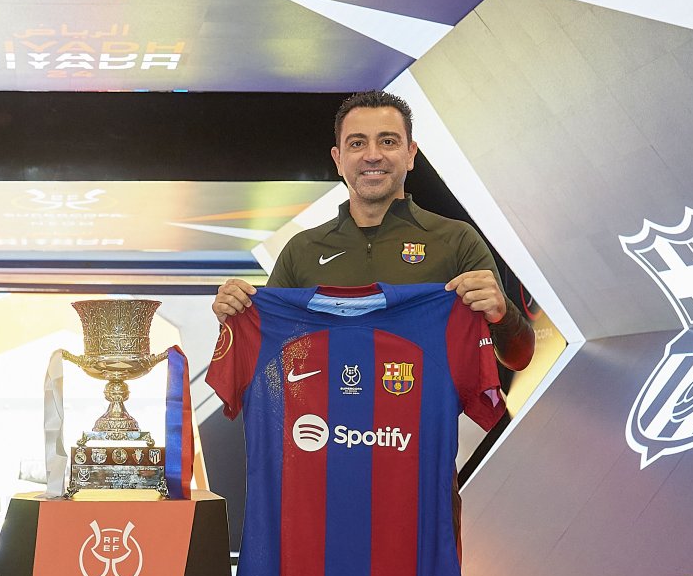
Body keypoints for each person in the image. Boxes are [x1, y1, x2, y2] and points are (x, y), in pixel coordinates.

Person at [211, 90, 533, 370]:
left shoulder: (456, 240)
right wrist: (234, 320)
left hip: (419, 437)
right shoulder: (302, 250)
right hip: (318, 436)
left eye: (388, 141)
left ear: (410, 154)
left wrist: (502, 315)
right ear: (338, 159)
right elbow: (262, 359)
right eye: (357, 143)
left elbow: (519, 358)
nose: (373, 155)